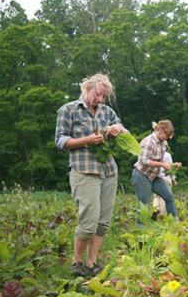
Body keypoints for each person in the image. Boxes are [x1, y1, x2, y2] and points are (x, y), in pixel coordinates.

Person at [55, 73, 127, 277]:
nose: (100, 100)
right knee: (88, 222)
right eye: (97, 95)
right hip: (84, 170)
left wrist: (116, 129)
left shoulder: (107, 112)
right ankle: (77, 261)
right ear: (87, 89)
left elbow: (122, 127)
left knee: (103, 222)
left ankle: (92, 262)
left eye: (104, 97)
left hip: (108, 171)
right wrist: (86, 140)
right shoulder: (68, 110)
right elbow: (60, 141)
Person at [132, 120, 179, 221]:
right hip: (142, 175)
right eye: (166, 135)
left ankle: (175, 223)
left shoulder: (163, 143)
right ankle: (139, 229)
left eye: (168, 136)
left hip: (154, 176)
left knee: (169, 196)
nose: (167, 138)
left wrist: (171, 165)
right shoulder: (149, 141)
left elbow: (158, 159)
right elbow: (144, 161)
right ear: (159, 130)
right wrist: (162, 164)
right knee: (144, 203)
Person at [152, 151, 181, 217]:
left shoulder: (155, 154)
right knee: (165, 196)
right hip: (166, 177)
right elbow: (171, 169)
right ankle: (162, 215)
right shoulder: (167, 155)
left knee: (156, 196)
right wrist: (173, 179)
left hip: (156, 178)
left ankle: (155, 209)